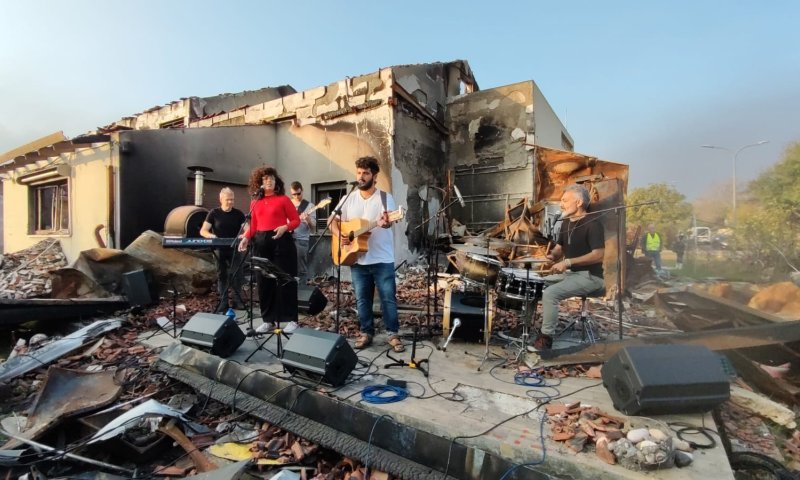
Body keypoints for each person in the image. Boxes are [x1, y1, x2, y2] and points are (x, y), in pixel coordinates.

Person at [328, 156, 405, 352]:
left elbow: (388, 222)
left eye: (366, 173)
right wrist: (342, 235)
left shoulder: (385, 198)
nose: (361, 177)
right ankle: (366, 332)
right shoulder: (348, 198)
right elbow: (332, 221)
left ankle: (392, 333)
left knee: (388, 298)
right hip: (357, 258)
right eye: (359, 173)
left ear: (374, 175)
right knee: (362, 299)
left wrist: (386, 222)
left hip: (382, 258)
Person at [534, 185, 605, 351]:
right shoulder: (566, 222)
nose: (561, 204)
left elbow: (598, 254)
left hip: (591, 277)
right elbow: (559, 248)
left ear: (579, 202)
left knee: (551, 293)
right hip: (571, 275)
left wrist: (568, 262)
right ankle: (525, 329)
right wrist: (550, 257)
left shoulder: (593, 224)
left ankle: (546, 338)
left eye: (565, 200)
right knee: (535, 284)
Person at [238, 167, 301, 333]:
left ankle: (292, 320)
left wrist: (285, 227)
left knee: (285, 280)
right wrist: (245, 237)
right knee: (264, 282)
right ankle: (268, 320)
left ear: (276, 181)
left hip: (281, 241)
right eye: (265, 179)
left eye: (272, 178)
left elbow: (296, 221)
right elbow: (254, 226)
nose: (269, 181)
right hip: (261, 243)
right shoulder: (255, 202)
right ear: (259, 182)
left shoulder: (283, 199)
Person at [200, 187, 246, 312]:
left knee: (236, 274)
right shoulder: (214, 213)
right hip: (219, 249)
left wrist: (245, 235)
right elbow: (203, 231)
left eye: (232, 199)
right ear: (221, 199)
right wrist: (211, 236)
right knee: (222, 275)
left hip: (234, 248)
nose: (230, 202)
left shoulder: (238, 214)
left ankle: (238, 301)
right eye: (228, 200)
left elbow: (247, 228)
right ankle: (223, 301)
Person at [290, 181, 316, 284]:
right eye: (294, 194)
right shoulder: (288, 204)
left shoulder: (310, 206)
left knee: (301, 269)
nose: (296, 196)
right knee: (288, 267)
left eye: (298, 193)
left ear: (302, 191)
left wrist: (308, 219)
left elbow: (313, 228)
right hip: (288, 238)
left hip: (301, 240)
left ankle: (302, 292)